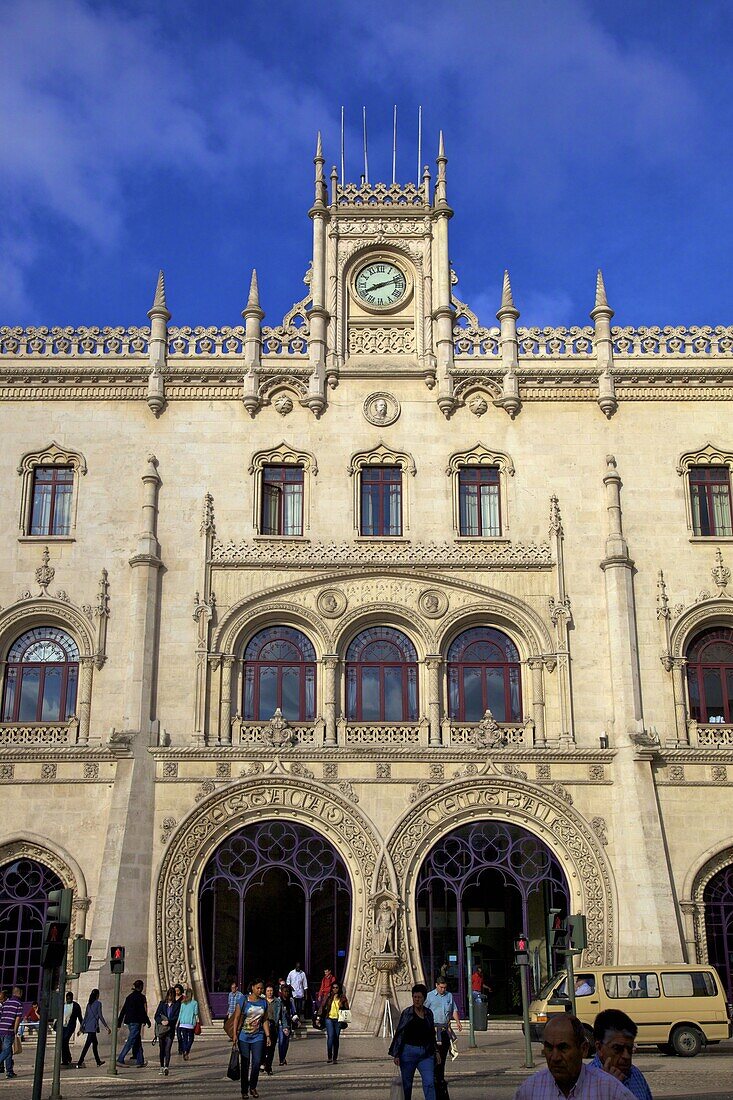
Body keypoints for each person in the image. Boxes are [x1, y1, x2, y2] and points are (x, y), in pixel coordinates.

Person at [513, 1014, 632, 1100]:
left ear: (584, 1049)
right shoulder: (529, 1090)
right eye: (549, 1048)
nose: (555, 1057)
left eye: (563, 1048)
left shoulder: (610, 1090)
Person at [590, 1010, 653, 1100]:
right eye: (617, 1049)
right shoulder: (586, 1082)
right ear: (599, 1048)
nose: (626, 1056)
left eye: (630, 1049)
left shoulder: (635, 1074)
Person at [389, 983, 437, 1100]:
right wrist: (397, 1054)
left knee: (429, 1082)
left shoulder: (428, 1013)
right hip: (408, 1052)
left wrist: (436, 1051)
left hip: (426, 1054)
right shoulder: (407, 1013)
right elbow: (400, 1033)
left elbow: (432, 1033)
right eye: (415, 997)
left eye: (419, 997)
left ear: (424, 998)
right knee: (407, 1085)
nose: (417, 1000)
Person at [232, 979, 269, 1099]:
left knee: (257, 1062)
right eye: (258, 988)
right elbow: (236, 1018)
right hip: (244, 1036)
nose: (260, 990)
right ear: (252, 987)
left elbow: (264, 1020)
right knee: (245, 1063)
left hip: (258, 1036)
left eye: (261, 988)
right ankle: (244, 1090)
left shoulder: (264, 1002)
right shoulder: (243, 1000)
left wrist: (268, 1036)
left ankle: (253, 1086)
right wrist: (234, 1035)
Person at [425, 975, 461, 1099]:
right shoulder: (430, 996)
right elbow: (424, 1011)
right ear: (436, 985)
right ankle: (434, 1078)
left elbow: (454, 1010)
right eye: (441, 987)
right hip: (434, 1031)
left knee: (443, 1057)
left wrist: (457, 1022)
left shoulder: (449, 996)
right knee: (435, 1056)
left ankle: (440, 1077)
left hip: (445, 1030)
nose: (443, 990)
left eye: (445, 987)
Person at [117, 979, 151, 1067]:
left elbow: (123, 1010)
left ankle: (140, 1060)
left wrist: (119, 1022)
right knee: (131, 1041)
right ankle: (120, 1058)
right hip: (136, 1022)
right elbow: (142, 1011)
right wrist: (147, 1021)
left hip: (129, 1022)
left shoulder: (129, 997)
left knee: (137, 1040)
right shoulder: (141, 997)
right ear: (141, 987)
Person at [318, 980, 349, 1065]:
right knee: (330, 1037)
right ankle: (329, 1056)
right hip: (329, 1019)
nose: (335, 989)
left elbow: (347, 1009)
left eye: (336, 988)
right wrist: (318, 1017)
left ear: (339, 989)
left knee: (336, 1038)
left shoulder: (342, 997)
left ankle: (335, 1057)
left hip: (338, 1019)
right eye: (333, 988)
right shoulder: (328, 996)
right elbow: (322, 1006)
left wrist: (342, 1006)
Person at [76, 989, 110, 1068]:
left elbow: (85, 1017)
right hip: (93, 1028)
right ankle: (79, 1062)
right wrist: (106, 1027)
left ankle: (98, 1061)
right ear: (97, 995)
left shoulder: (89, 1004)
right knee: (87, 1046)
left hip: (88, 1027)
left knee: (95, 1044)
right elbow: (100, 1016)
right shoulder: (98, 1004)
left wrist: (81, 1028)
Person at [153, 987, 180, 1076]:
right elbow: (156, 1015)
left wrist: (169, 1021)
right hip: (162, 1029)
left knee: (168, 1048)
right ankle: (161, 1066)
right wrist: (161, 1021)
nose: (170, 997)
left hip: (170, 1029)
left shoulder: (177, 1005)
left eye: (172, 996)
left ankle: (166, 1067)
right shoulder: (162, 1004)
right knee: (162, 1049)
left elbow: (176, 1016)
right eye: (169, 995)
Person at [0, 987, 23, 1079]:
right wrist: (15, 1030)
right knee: (6, 1051)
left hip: (1, 1028)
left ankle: (9, 1071)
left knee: (9, 1051)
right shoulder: (18, 1004)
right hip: (9, 1030)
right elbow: (17, 1019)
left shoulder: (5, 1003)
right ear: (19, 993)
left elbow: (1, 1016)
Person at [274, 983, 295, 1067]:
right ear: (281, 992)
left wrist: (295, 1019)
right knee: (281, 1041)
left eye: (288, 991)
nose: (286, 993)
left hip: (288, 1023)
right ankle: (281, 1059)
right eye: (285, 991)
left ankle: (283, 1057)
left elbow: (294, 1011)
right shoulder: (278, 1001)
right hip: (280, 1023)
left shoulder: (291, 1000)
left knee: (286, 1042)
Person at [61, 990, 83, 1066]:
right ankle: (66, 1058)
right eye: (67, 998)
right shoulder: (63, 1005)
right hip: (63, 1026)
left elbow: (80, 1017)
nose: (68, 1000)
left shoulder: (76, 1006)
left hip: (70, 1026)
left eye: (69, 998)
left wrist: (82, 1027)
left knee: (65, 1040)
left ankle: (67, 1059)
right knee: (63, 1042)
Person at [177, 987, 199, 1061]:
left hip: (182, 1023)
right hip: (190, 1024)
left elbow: (180, 1013)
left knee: (185, 1039)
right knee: (191, 1039)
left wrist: (178, 1022)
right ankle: (187, 1050)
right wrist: (197, 1022)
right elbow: (196, 1013)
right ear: (192, 995)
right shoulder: (194, 1003)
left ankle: (184, 1051)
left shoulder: (183, 1003)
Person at [261, 984, 277, 1076]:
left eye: (271, 990)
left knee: (271, 1048)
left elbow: (282, 1015)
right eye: (268, 991)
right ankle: (262, 1062)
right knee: (263, 1047)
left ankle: (269, 1067)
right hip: (263, 1026)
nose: (270, 992)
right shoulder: (262, 1002)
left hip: (273, 1026)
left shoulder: (277, 1002)